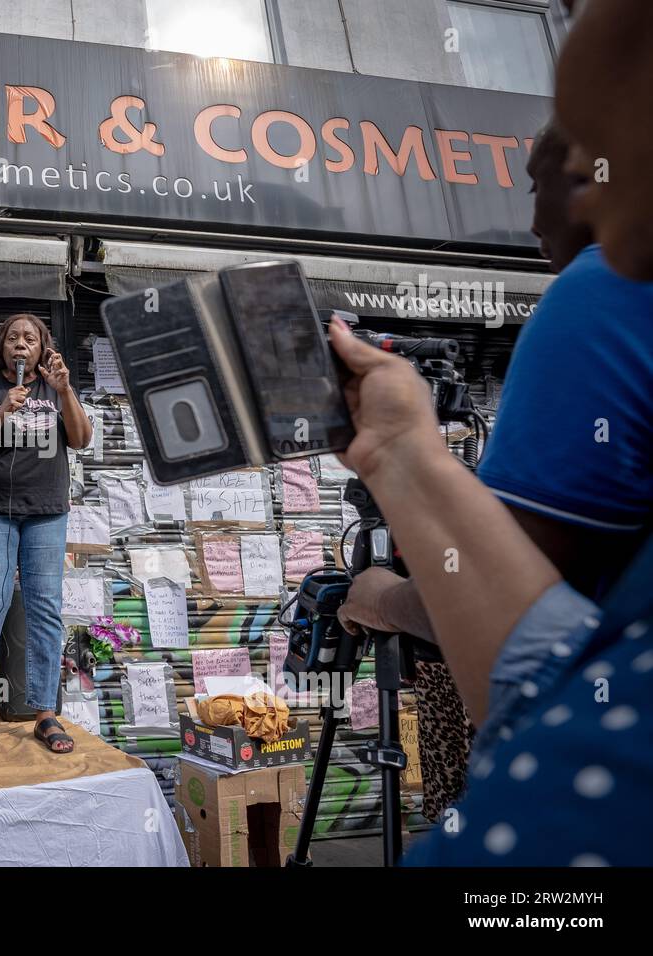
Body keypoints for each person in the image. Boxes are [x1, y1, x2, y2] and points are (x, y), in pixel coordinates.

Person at [326, 0, 653, 864]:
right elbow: (580, 669)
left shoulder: (598, 293)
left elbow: (551, 691)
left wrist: (379, 599)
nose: (571, 174)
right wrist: (404, 458)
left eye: (584, 148)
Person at [338, 121, 653, 727]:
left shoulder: (600, 291)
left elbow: (509, 608)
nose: (532, 220)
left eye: (535, 187)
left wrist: (380, 599)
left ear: (586, 179)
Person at [0, 313, 92, 752]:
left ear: (43, 347)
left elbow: (82, 438)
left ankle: (45, 712)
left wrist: (66, 389)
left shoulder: (55, 388)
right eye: (13, 337)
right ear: (2, 345)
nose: (20, 344)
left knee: (45, 609)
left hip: (46, 512)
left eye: (30, 338)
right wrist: (0, 411)